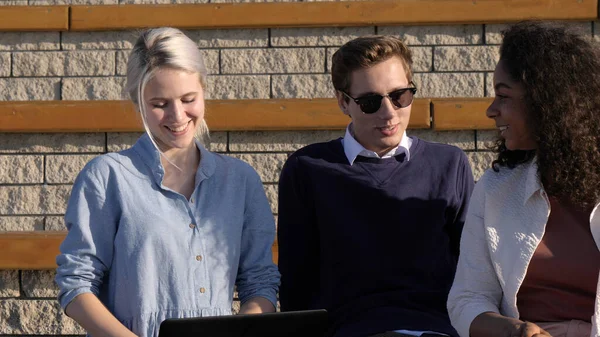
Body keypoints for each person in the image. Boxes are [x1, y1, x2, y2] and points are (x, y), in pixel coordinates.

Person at [55, 27, 280, 337]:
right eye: (160, 104)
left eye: (189, 99)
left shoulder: (240, 180)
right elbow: (76, 283)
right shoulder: (108, 176)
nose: (177, 116)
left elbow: (260, 282)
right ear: (138, 103)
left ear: (204, 91)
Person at [277, 35, 475, 337]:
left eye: (400, 96)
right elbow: (296, 284)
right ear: (343, 102)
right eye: (370, 102)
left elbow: (472, 275)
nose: (389, 112)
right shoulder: (307, 169)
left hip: (437, 331)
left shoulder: (450, 164)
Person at [447, 21, 600, 337]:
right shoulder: (495, 188)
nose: (491, 110)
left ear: (547, 102)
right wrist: (514, 330)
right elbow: (467, 298)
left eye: (503, 96)